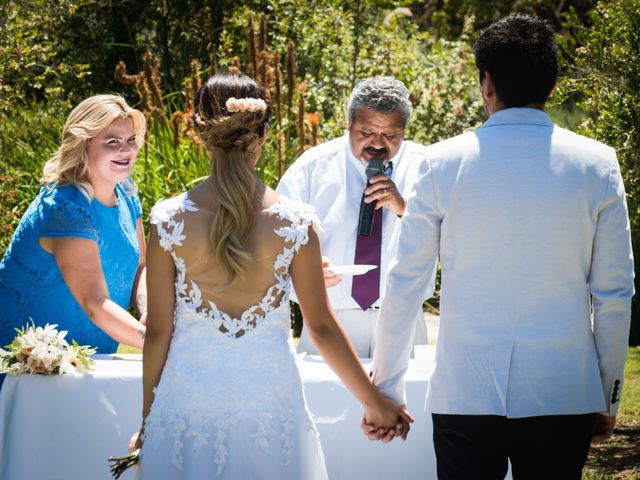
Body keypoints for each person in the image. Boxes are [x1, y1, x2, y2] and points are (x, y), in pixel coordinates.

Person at [368, 14, 634, 480]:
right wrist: (605, 392)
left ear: (486, 83)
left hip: (464, 390)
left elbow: (406, 282)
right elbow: (614, 293)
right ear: (551, 86)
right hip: (562, 390)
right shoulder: (597, 164)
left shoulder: (441, 162)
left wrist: (386, 390)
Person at [135, 73, 411, 479]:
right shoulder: (296, 223)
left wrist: (148, 422)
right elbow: (321, 327)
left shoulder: (167, 221)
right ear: (263, 134)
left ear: (199, 132)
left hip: (184, 408)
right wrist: (373, 400)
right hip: (271, 409)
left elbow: (158, 332)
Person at [277, 76, 432, 358]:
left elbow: (449, 237)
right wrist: (305, 271)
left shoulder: (427, 166)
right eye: (367, 132)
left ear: (404, 130)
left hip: (404, 320)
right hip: (329, 318)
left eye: (390, 135)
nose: (377, 143)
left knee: (409, 401)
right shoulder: (311, 169)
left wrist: (404, 208)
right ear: (349, 122)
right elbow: (275, 243)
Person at [0, 95, 147, 360]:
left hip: (89, 362)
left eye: (130, 140)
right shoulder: (65, 208)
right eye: (112, 141)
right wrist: (157, 342)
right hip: (28, 367)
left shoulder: (126, 194)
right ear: (83, 144)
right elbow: (95, 303)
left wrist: (147, 308)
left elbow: (141, 266)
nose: (126, 150)